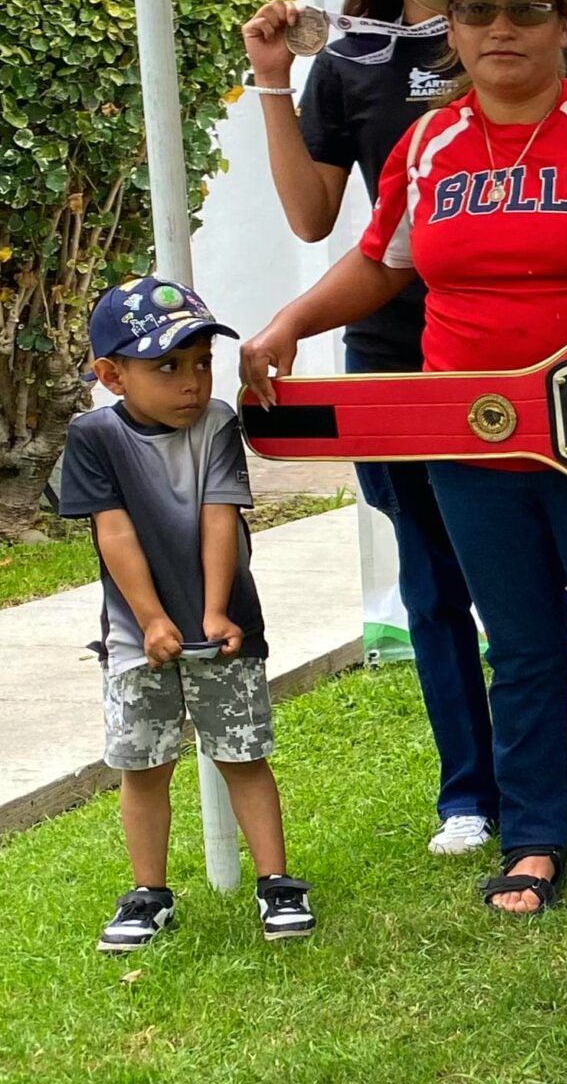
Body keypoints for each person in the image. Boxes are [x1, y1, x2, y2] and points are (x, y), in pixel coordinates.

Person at [239, 0, 567, 922]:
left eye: (526, 8)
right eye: (477, 10)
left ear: (561, 22)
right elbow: (383, 262)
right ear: (450, 31)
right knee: (515, 640)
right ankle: (534, 835)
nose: (501, 28)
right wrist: (290, 320)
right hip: (471, 427)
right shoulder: (428, 144)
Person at [239, 0, 567, 857]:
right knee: (433, 584)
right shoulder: (348, 63)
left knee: (526, 587)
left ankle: (555, 782)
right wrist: (275, 80)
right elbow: (316, 218)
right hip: (395, 358)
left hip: (517, 359)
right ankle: (467, 795)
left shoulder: (514, 37)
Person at [60, 280, 314, 952]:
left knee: (244, 755)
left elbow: (218, 518)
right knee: (143, 766)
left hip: (227, 633)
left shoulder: (218, 425)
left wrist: (213, 612)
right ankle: (149, 894)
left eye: (200, 362)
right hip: (133, 639)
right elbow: (113, 533)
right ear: (111, 376)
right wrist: (149, 620)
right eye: (166, 367)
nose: (191, 383)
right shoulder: (93, 438)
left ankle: (277, 882)